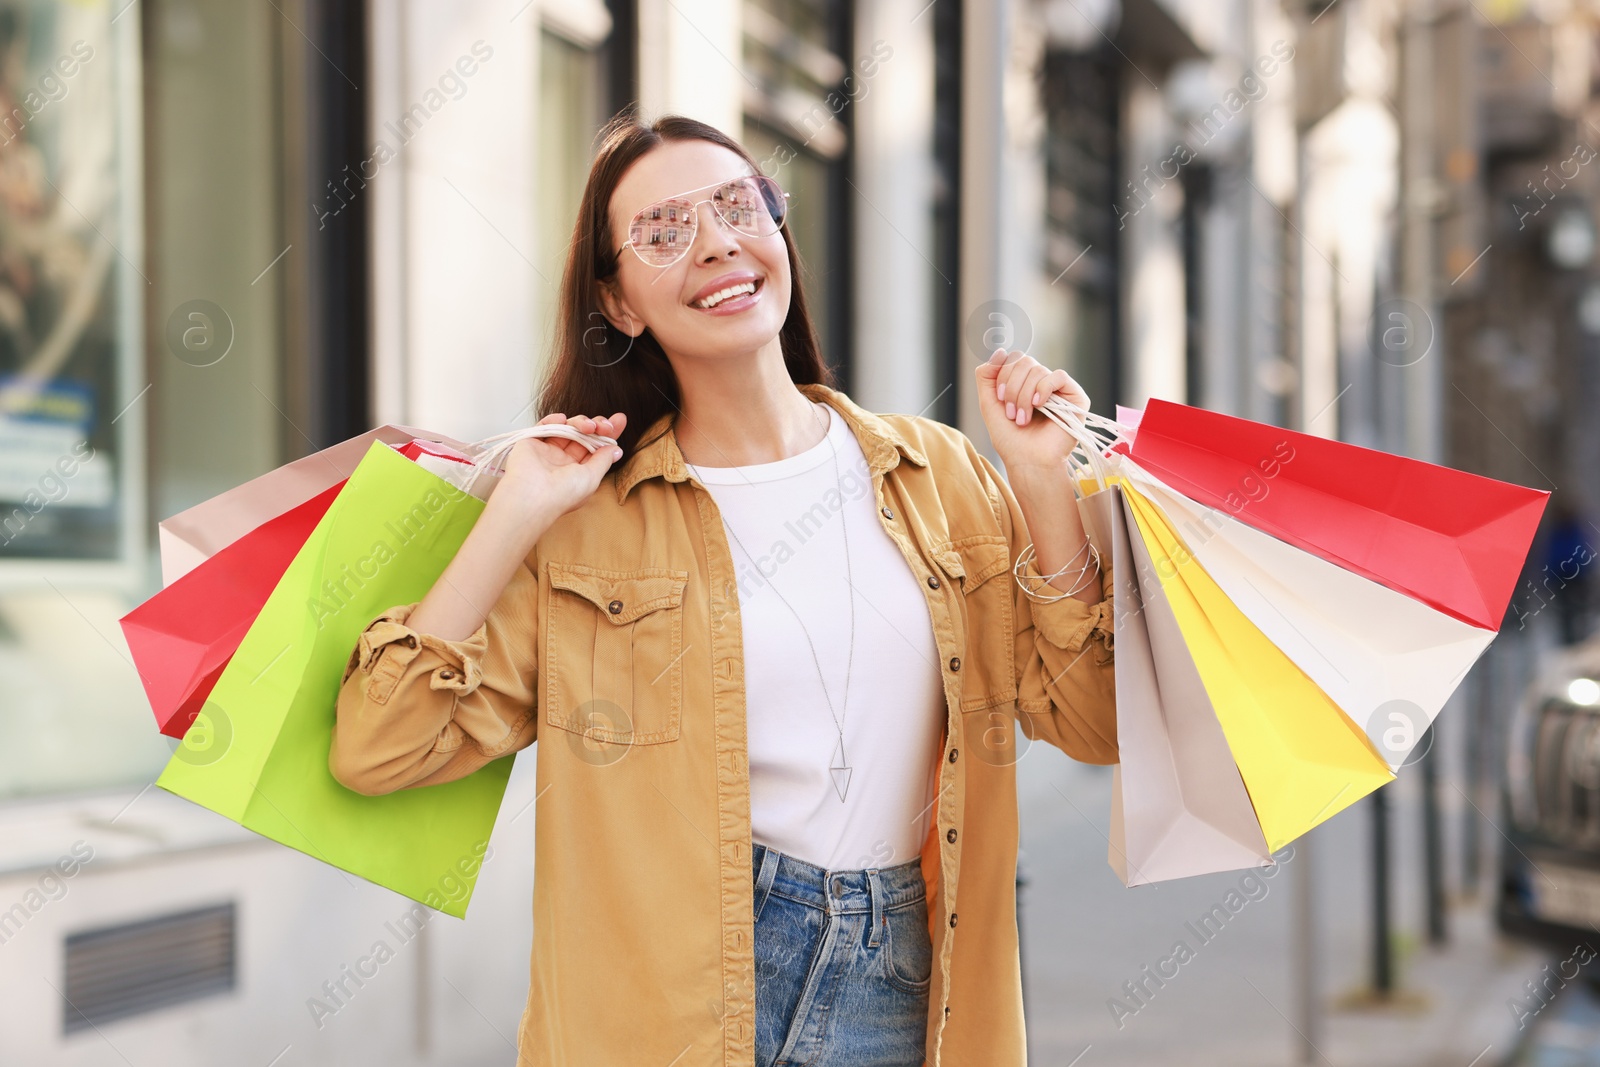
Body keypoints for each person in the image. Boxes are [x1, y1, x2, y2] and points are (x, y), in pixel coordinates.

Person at [329, 110, 1117, 1067]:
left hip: (907, 988)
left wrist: (1039, 480)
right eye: (662, 231)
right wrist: (513, 513)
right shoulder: (591, 521)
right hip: (668, 1010)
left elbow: (1093, 723)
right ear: (618, 303)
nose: (716, 244)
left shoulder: (940, 476)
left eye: (740, 205)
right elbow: (381, 744)